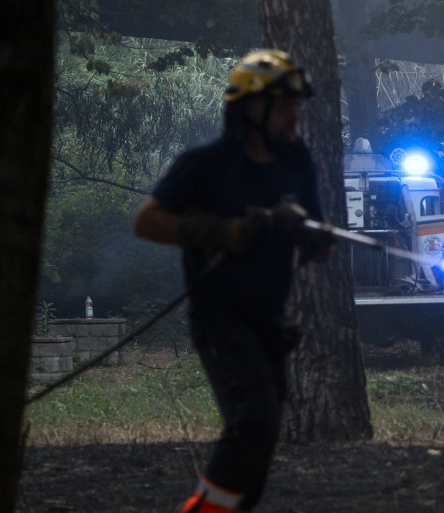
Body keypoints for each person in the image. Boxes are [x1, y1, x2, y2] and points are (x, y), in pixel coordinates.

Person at [132, 49, 333, 513]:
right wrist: (223, 231)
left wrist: (310, 235)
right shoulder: (206, 165)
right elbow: (147, 221)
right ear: (250, 107)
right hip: (220, 317)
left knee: (259, 444)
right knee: (254, 422)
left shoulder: (296, 161)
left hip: (269, 320)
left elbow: (318, 246)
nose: (294, 117)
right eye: (284, 106)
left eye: (296, 107)